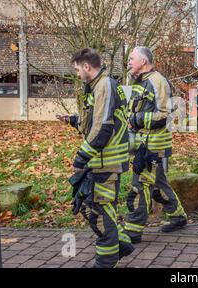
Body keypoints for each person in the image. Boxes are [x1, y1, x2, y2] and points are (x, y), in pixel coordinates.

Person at [58, 48, 134, 268]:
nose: (76, 73)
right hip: (100, 161)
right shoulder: (97, 86)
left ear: (87, 66)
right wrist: (73, 120)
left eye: (77, 69)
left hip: (106, 162)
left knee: (99, 211)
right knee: (94, 208)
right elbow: (95, 121)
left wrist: (82, 156)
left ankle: (107, 261)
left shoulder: (105, 86)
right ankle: (122, 244)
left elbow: (103, 127)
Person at [123, 46, 187, 244]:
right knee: (158, 184)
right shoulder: (138, 80)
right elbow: (131, 106)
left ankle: (133, 231)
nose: (129, 62)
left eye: (132, 58)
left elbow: (163, 115)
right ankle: (178, 217)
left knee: (140, 184)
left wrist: (136, 118)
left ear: (143, 61)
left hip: (153, 145)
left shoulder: (158, 81)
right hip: (142, 142)